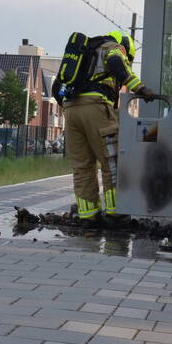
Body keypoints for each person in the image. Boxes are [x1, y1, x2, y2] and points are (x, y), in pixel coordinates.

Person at [59, 31, 158, 223]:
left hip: (70, 111)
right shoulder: (112, 48)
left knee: (82, 166)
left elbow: (57, 88)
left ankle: (88, 215)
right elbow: (116, 64)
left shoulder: (84, 54)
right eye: (128, 59)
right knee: (112, 161)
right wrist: (140, 89)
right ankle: (116, 212)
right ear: (124, 49)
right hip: (96, 108)